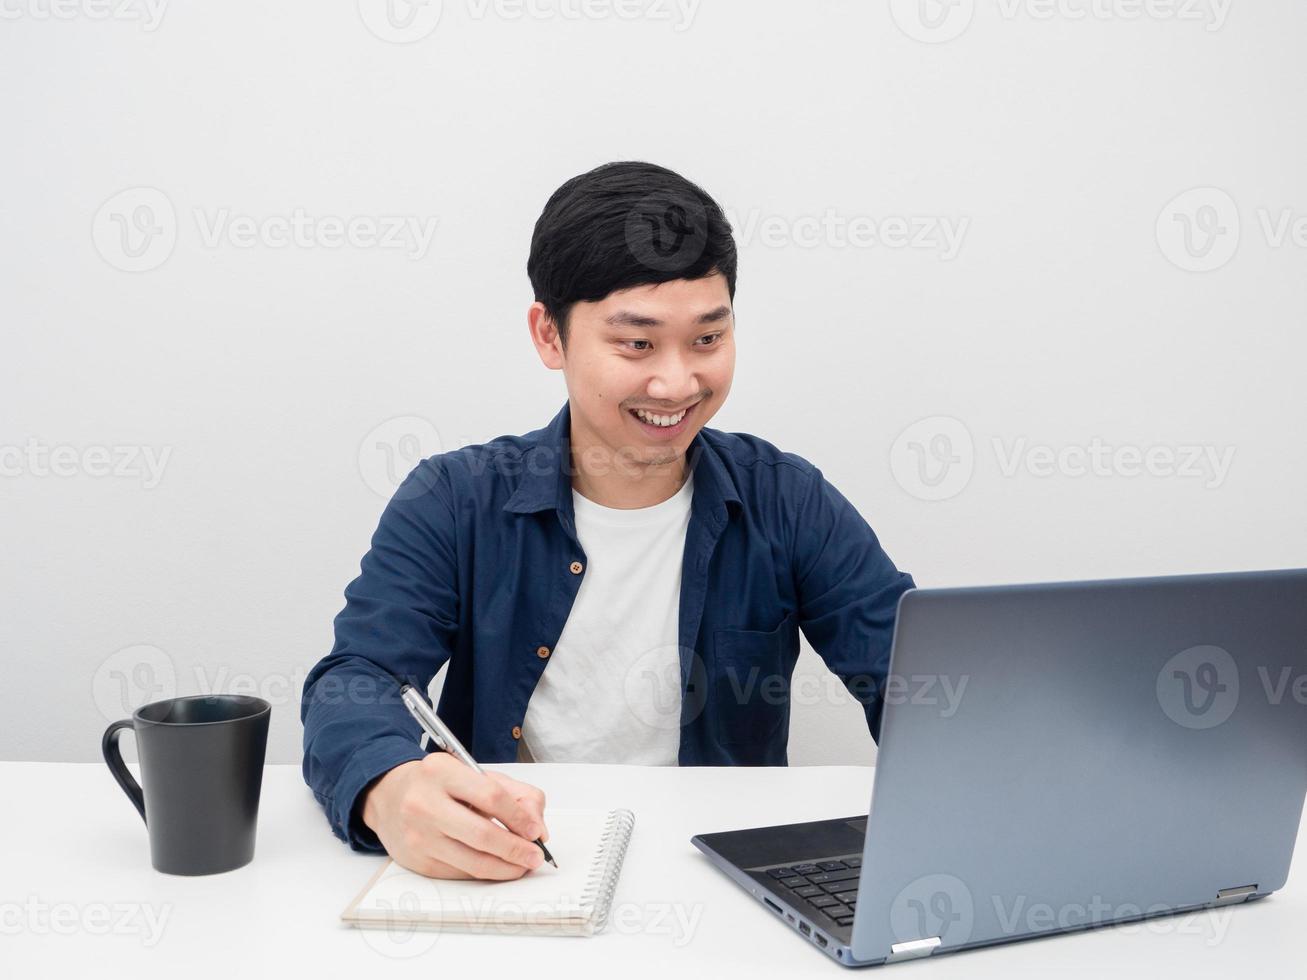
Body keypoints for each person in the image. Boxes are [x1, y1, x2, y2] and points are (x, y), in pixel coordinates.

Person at [300, 160, 915, 881]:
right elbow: (357, 679)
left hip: (721, 881)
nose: (677, 382)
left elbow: (913, 675)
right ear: (549, 336)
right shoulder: (453, 499)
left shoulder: (786, 499)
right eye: (637, 344)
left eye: (707, 340)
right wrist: (389, 784)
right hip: (519, 869)